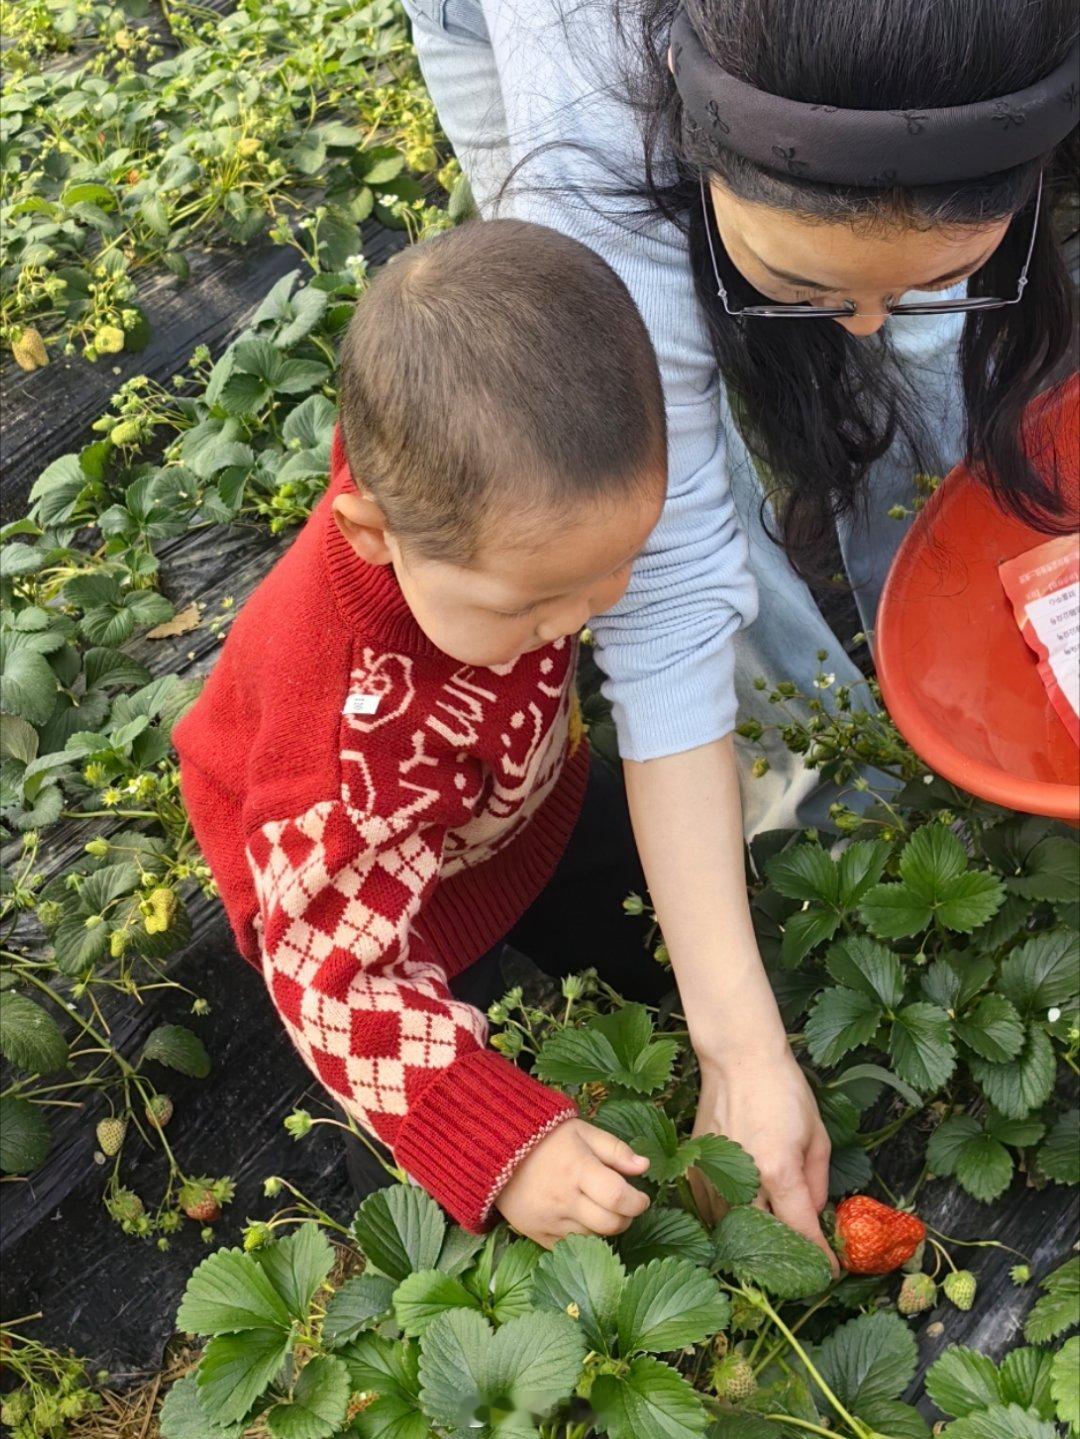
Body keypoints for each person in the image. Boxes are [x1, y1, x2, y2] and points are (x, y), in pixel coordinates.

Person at [399, 0, 1078, 1259]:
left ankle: (950, 710)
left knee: (927, 357)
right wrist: (741, 1041)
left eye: (946, 256)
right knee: (625, 490)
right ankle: (835, 822)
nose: (854, 325)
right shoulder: (593, 117)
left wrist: (896, 285)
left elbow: (893, 280)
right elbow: (659, 596)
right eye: (805, 280)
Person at [174, 218, 675, 1243]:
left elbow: (555, 585)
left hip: (524, 803)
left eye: (607, 570)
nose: (575, 617)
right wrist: (504, 1142)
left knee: (660, 926)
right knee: (445, 1156)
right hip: (376, 901)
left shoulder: (493, 517)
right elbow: (334, 987)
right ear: (371, 532)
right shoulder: (345, 754)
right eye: (535, 602)